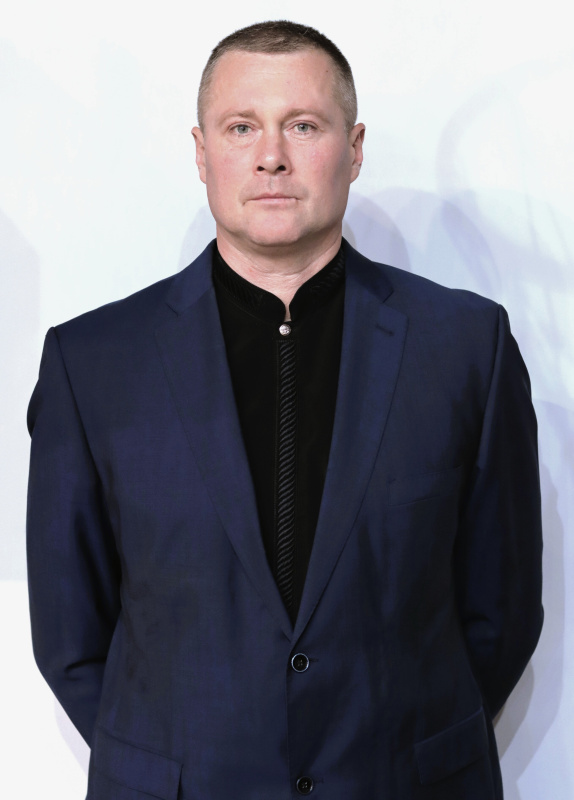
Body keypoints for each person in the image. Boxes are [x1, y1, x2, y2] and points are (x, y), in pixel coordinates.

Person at [26, 20, 543, 800]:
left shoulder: (468, 345)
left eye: (303, 125)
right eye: (242, 128)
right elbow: (71, 633)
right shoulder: (92, 362)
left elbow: (501, 610)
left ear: (355, 148)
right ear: (202, 151)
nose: (271, 156)